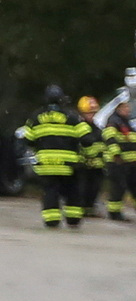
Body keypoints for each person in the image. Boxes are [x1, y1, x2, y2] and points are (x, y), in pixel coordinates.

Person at [18, 92, 93, 229]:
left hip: (46, 164)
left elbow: (27, 140)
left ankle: (51, 221)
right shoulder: (72, 116)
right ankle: (73, 219)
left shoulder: (36, 117)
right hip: (69, 164)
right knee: (72, 191)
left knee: (50, 191)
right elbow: (87, 139)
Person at [87, 95, 136, 222]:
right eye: (126, 108)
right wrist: (116, 155)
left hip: (131, 162)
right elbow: (110, 139)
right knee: (118, 187)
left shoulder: (126, 122)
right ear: (119, 108)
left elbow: (133, 140)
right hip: (117, 162)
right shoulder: (113, 121)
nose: (128, 110)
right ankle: (114, 212)